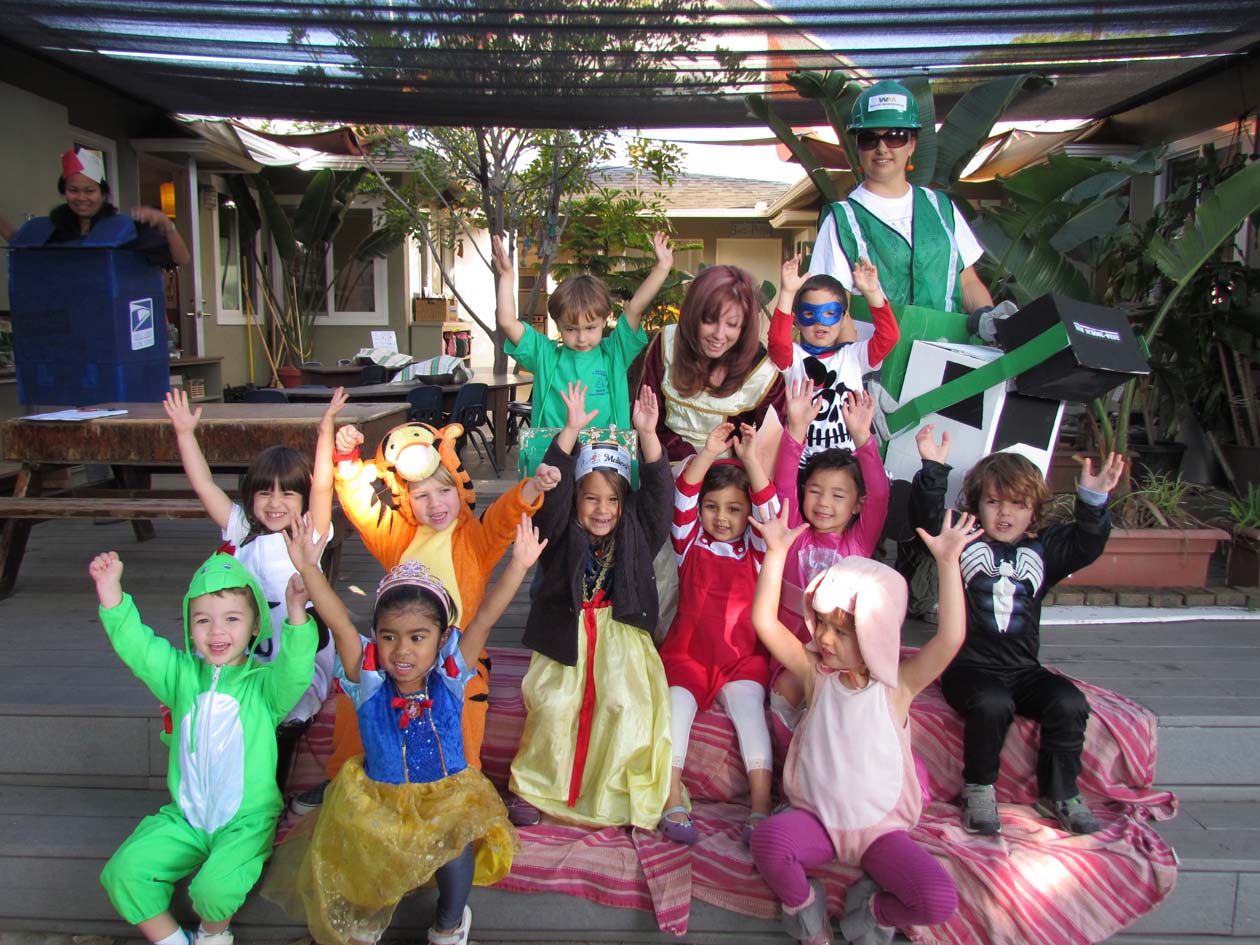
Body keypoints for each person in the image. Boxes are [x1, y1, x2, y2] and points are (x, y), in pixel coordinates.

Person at [265, 515, 534, 945]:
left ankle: (448, 923)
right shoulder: (368, 678)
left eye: (417, 637)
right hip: (380, 798)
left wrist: (518, 565)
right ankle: (361, 921)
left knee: (457, 847)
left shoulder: (450, 674)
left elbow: (484, 618)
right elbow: (339, 622)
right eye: (389, 637)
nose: (402, 650)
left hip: (445, 795)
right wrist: (309, 569)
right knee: (363, 851)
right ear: (376, 636)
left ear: (441, 638)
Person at [748, 504, 974, 945]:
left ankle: (871, 911)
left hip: (880, 834)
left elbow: (950, 639)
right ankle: (805, 911)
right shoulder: (816, 675)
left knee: (937, 900)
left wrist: (948, 564)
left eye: (842, 631)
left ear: (877, 632)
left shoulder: (898, 687)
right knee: (768, 842)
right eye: (821, 624)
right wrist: (775, 553)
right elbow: (764, 623)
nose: (824, 639)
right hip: (816, 820)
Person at [92, 548, 317, 945]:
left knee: (214, 889)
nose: (217, 632)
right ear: (189, 626)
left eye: (232, 619)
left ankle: (213, 936)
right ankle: (174, 941)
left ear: (255, 626)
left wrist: (297, 614)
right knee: (125, 872)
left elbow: (297, 671)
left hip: (245, 823)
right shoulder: (179, 676)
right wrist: (110, 592)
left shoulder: (264, 687)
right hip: (186, 818)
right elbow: (138, 647)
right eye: (203, 620)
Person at [909, 428, 1125, 836]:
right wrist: (933, 469)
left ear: (1034, 510)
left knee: (1068, 701)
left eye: (1018, 504)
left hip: (1023, 669)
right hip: (968, 668)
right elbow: (926, 519)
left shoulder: (1043, 550)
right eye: (994, 502)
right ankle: (978, 788)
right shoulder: (962, 541)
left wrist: (1093, 502)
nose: (1004, 513)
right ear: (977, 504)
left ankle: (1060, 792)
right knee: (993, 703)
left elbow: (1086, 543)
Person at [324, 416, 558, 783]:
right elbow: (361, 507)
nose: (436, 504)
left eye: (444, 491)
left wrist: (533, 488)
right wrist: (346, 460)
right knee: (358, 693)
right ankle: (345, 777)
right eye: (421, 495)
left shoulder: (476, 538)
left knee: (467, 703)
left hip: (456, 654)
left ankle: (464, 783)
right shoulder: (397, 535)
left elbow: (504, 516)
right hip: (400, 651)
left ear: (460, 488)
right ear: (405, 497)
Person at [507, 382, 674, 829]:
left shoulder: (637, 531)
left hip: (621, 639)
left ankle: (612, 794)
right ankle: (534, 788)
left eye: (613, 499)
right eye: (591, 498)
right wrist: (570, 432)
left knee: (624, 705)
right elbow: (551, 502)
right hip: (566, 636)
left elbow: (660, 499)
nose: (602, 509)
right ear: (576, 499)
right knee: (554, 706)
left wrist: (648, 435)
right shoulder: (560, 533)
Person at [163, 387, 339, 786]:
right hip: (245, 640)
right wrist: (185, 434)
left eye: (287, 493)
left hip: (292, 638)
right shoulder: (241, 528)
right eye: (264, 492)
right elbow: (204, 485)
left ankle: (276, 781)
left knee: (288, 708)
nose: (275, 503)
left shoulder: (310, 530)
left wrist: (325, 431)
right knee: (237, 705)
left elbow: (323, 487)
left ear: (302, 498)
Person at [657, 419, 778, 845]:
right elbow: (683, 496)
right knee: (674, 713)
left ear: (748, 514)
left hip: (741, 659)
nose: (722, 517)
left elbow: (770, 513)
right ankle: (671, 799)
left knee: (750, 713)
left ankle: (761, 806)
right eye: (712, 507)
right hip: (687, 655)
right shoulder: (688, 542)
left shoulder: (758, 550)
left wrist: (751, 461)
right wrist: (707, 453)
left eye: (734, 509)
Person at [808, 80, 992, 318]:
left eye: (895, 137)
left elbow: (967, 281)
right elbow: (830, 308)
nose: (882, 148)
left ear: (912, 144)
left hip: (947, 339)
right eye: (869, 138)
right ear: (858, 147)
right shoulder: (841, 221)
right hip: (875, 342)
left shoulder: (941, 207)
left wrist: (989, 316)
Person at [769, 379, 889, 729]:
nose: (824, 503)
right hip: (789, 649)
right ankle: (788, 752)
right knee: (785, 694)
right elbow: (784, 485)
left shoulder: (858, 543)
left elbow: (880, 495)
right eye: (815, 491)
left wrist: (863, 438)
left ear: (857, 505)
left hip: (840, 653)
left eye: (838, 496)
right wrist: (796, 429)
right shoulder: (793, 533)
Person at [494, 231, 672, 433]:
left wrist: (662, 268)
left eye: (590, 328)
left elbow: (634, 309)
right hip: (554, 450)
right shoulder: (545, 356)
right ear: (558, 324)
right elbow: (507, 322)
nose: (581, 338)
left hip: (607, 450)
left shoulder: (615, 353)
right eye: (570, 329)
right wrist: (507, 276)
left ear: (604, 320)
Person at [635, 263, 786, 463]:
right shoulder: (668, 343)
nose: (719, 334)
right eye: (709, 320)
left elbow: (770, 451)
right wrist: (687, 466)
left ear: (744, 326)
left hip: (728, 476)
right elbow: (649, 421)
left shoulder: (762, 371)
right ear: (693, 314)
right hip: (664, 466)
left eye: (732, 324)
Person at [769, 252, 900, 460]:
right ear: (796, 320)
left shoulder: (854, 356)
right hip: (802, 464)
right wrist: (787, 292)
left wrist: (872, 292)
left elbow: (889, 336)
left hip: (848, 462)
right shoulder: (794, 358)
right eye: (809, 314)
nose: (820, 322)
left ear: (844, 317)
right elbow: (778, 342)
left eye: (830, 313)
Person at [1, 147, 190, 265]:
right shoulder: (53, 228)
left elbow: (181, 259)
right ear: (64, 192)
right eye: (73, 190)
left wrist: (167, 225)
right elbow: (20, 241)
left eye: (89, 191)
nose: (81, 197)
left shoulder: (126, 229)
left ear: (103, 194)